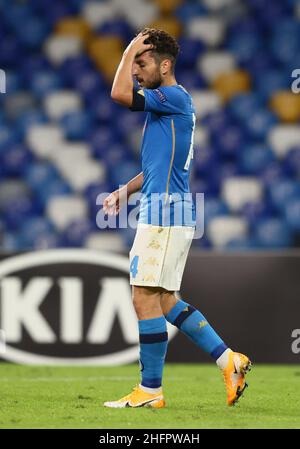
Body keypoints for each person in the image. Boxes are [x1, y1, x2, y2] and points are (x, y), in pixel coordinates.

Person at [102, 28, 251, 409]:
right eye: (135, 62)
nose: (136, 70)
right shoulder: (166, 106)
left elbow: (118, 94)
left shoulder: (172, 96)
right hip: (166, 209)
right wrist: (125, 190)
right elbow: (155, 168)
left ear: (165, 66)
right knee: (166, 300)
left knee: (143, 297)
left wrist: (127, 48)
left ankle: (150, 391)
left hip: (165, 214)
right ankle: (228, 359)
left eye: (143, 62)